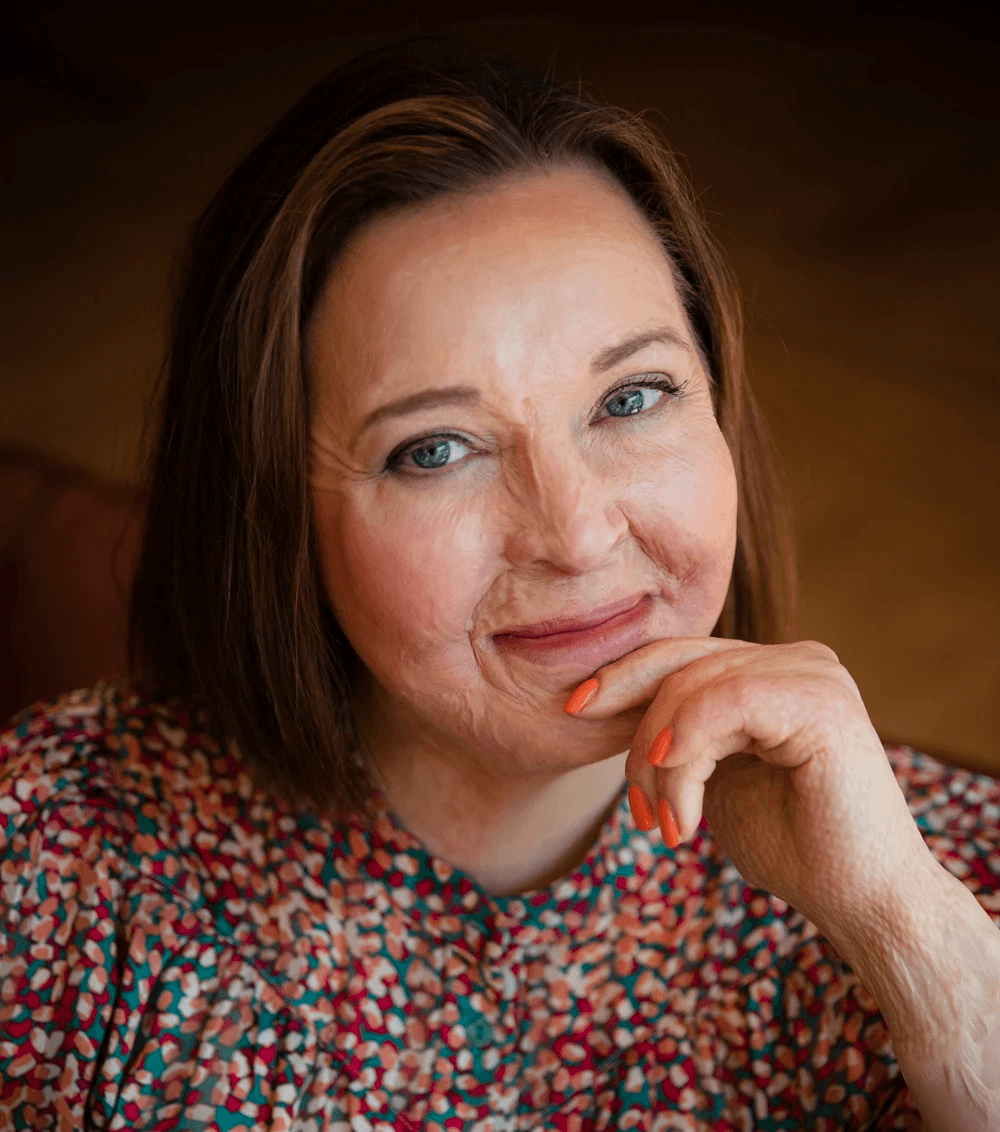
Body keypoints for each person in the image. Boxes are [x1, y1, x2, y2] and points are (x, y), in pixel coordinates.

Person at [0, 37, 997, 1132]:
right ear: (273, 510)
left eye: (631, 397)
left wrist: (919, 951)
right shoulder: (50, 858)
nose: (576, 535)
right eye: (435, 449)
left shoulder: (955, 876)